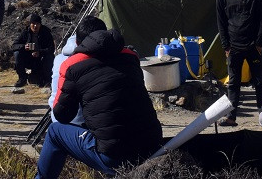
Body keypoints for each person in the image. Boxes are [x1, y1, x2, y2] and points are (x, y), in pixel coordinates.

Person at [37, 19, 162, 179]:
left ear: (77, 42)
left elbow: (62, 116)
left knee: (55, 131)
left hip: (114, 157)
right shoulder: (130, 57)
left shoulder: (72, 64)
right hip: (153, 145)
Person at [216, 0, 262, 125]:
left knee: (259, 81)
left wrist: (259, 43)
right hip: (234, 47)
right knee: (234, 82)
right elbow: (221, 23)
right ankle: (231, 116)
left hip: (252, 46)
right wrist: (226, 46)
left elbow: (260, 20)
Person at [49, 16, 107, 125]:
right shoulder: (113, 60)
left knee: (54, 131)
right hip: (84, 124)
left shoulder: (60, 59)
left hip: (65, 120)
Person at [13, 12, 56, 90]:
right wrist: (24, 47)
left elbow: (51, 49)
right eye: (33, 23)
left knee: (49, 57)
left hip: (41, 59)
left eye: (37, 24)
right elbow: (14, 45)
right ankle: (22, 78)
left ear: (40, 24)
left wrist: (40, 52)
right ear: (30, 24)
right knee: (17, 53)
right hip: (29, 58)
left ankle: (47, 80)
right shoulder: (26, 32)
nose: (35, 26)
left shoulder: (46, 33)